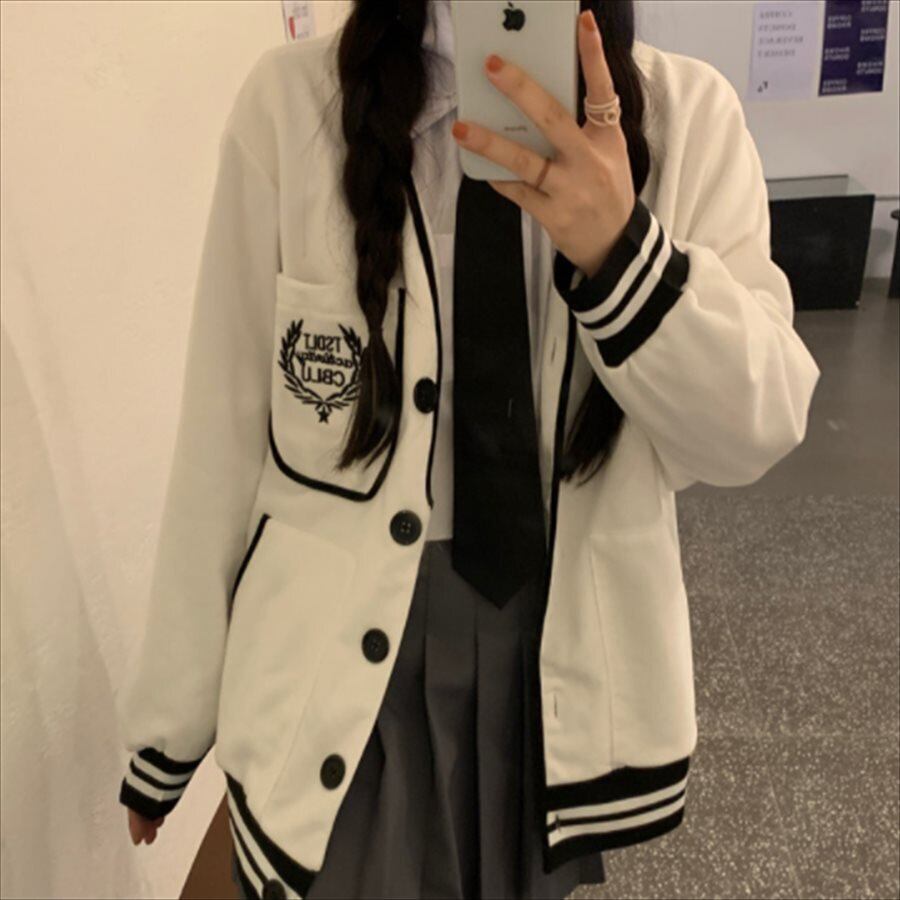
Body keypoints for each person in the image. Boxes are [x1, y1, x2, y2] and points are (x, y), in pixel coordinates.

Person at [117, 1, 821, 898]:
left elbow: (756, 425)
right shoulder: (293, 106)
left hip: (553, 657)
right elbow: (221, 431)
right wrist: (168, 728)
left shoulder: (689, 117)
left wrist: (622, 252)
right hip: (335, 657)